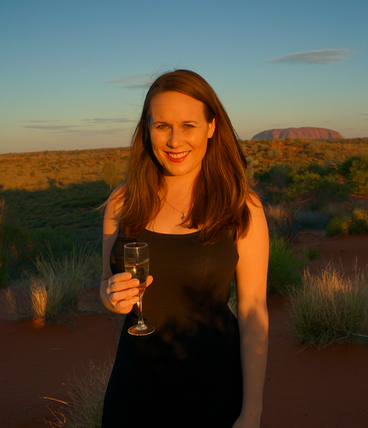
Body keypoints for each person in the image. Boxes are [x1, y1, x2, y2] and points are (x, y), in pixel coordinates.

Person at [99, 69, 269, 428]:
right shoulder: (123, 202)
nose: (175, 141)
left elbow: (254, 314)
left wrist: (251, 413)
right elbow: (104, 284)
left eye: (188, 125)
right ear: (147, 128)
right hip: (134, 391)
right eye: (162, 126)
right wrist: (111, 297)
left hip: (211, 392)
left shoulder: (241, 206)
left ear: (211, 126)